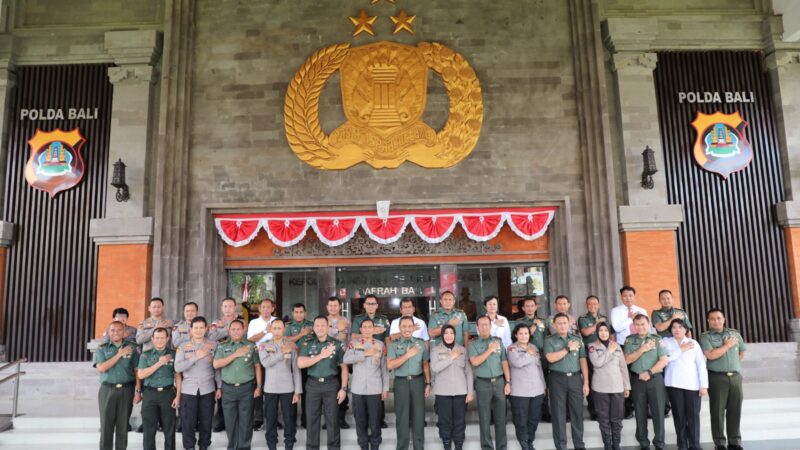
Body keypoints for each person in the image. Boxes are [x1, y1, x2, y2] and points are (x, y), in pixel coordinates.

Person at [298, 315, 348, 450]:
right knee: (312, 420)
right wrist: (321, 355)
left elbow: (344, 367)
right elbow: (300, 363)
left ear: (328, 327)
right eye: (317, 325)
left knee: (333, 420)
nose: (320, 328)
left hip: (331, 385)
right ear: (313, 328)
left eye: (322, 325)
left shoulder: (336, 344)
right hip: (312, 385)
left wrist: (343, 389)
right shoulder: (307, 343)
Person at [699, 308, 746, 450]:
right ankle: (719, 443)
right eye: (712, 319)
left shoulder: (735, 333)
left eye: (719, 318)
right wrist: (726, 346)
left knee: (735, 410)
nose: (716, 321)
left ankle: (734, 442)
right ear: (708, 321)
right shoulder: (705, 336)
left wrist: (732, 364)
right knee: (717, 411)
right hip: (717, 378)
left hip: (736, 378)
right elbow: (711, 355)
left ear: (724, 319)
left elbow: (742, 352)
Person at [213, 319, 262, 450]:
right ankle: (232, 446)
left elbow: (257, 366)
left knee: (246, 421)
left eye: (238, 329)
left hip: (247, 388)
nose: (235, 332)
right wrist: (235, 354)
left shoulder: (251, 345)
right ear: (228, 331)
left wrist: (259, 386)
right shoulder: (222, 346)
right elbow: (216, 364)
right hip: (228, 389)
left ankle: (244, 447)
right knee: (230, 421)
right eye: (233, 329)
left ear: (244, 330)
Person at [175, 316, 221, 450]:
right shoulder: (183, 346)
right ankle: (189, 446)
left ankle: (204, 445)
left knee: (206, 421)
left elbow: (217, 368)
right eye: (196, 328)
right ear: (191, 329)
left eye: (202, 327)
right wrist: (196, 357)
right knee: (188, 421)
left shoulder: (214, 345)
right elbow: (178, 368)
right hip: (188, 390)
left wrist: (219, 386)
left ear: (206, 329)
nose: (199, 330)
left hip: (208, 388)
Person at [545, 313, 589, 450]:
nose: (562, 325)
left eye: (565, 323)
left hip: (576, 379)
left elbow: (582, 360)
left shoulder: (577, 339)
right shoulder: (549, 340)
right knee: (558, 414)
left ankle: (579, 445)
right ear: (554, 325)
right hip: (557, 379)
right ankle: (561, 446)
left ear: (569, 323)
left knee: (577, 413)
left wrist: (586, 381)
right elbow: (550, 358)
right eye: (559, 323)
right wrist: (567, 349)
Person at [343, 318, 389, 450]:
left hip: (375, 389)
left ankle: (375, 444)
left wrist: (385, 388)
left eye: (370, 327)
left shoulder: (380, 345)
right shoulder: (354, 344)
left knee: (375, 420)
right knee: (360, 419)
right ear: (361, 330)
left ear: (374, 330)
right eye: (365, 327)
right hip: (358, 389)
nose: (367, 329)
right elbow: (346, 359)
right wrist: (364, 354)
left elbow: (384, 369)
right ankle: (363, 444)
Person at [624, 314, 669, 450]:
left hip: (655, 379)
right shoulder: (630, 340)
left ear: (649, 324)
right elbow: (627, 360)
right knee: (640, 412)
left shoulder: (657, 339)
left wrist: (649, 372)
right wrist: (642, 349)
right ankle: (643, 442)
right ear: (634, 326)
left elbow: (664, 360)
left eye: (643, 324)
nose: (640, 327)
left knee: (658, 412)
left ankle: (659, 443)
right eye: (637, 324)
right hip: (637, 381)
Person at [95, 321, 140, 450]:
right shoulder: (102, 348)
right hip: (107, 390)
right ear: (108, 332)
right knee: (106, 426)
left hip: (127, 390)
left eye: (119, 330)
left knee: (123, 426)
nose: (116, 333)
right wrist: (119, 354)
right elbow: (102, 367)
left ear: (124, 332)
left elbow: (137, 370)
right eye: (113, 330)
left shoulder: (132, 347)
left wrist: (137, 391)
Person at [388, 316, 431, 450]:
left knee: (419, 417)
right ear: (399, 328)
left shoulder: (421, 344)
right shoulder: (393, 345)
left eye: (409, 326)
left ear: (413, 328)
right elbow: (390, 365)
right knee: (402, 417)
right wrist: (407, 355)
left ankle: (419, 447)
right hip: (401, 383)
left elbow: (425, 364)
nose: (407, 329)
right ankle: (402, 447)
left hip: (418, 382)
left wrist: (428, 383)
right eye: (404, 326)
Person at [469, 315, 511, 450]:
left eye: (486, 324)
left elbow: (504, 362)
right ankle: (487, 447)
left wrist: (508, 381)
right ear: (477, 327)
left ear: (491, 326)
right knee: (485, 418)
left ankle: (501, 447)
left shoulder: (498, 341)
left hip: (499, 382)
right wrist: (490, 350)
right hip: (483, 383)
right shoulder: (473, 344)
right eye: (481, 325)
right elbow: (475, 361)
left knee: (501, 418)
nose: (484, 327)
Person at [664, 319, 707, 450]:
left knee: (693, 416)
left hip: (692, 385)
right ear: (671, 329)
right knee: (679, 416)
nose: (677, 330)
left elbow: (701, 364)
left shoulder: (693, 343)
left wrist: (703, 384)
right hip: (673, 384)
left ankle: (695, 445)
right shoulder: (666, 342)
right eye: (674, 327)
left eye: (680, 327)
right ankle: (682, 445)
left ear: (686, 330)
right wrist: (680, 349)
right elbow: (665, 358)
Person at [259, 319, 302, 450]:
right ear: (271, 330)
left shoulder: (291, 346)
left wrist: (297, 391)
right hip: (270, 388)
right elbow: (265, 363)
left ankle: (289, 443)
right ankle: (272, 444)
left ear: (284, 330)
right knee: (270, 419)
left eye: (279, 328)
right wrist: (281, 353)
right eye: (274, 328)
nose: (277, 331)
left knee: (289, 418)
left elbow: (296, 369)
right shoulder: (264, 345)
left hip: (288, 388)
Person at [588, 322, 630, 450]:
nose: (604, 333)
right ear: (597, 332)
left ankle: (616, 444)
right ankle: (607, 444)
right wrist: (609, 352)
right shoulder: (592, 347)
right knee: (604, 419)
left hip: (617, 387)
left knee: (616, 419)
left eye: (606, 330)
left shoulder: (616, 345)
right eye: (601, 330)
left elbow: (623, 367)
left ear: (609, 332)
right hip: (600, 388)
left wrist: (626, 386)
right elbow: (597, 363)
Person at [430, 324, 473, 450]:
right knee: (444, 419)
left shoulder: (462, 350)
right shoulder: (435, 350)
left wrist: (470, 392)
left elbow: (468, 372)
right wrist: (451, 357)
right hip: (442, 392)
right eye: (446, 333)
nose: (449, 336)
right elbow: (435, 368)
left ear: (455, 335)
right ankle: (446, 442)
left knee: (460, 419)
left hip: (460, 391)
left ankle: (459, 443)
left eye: (451, 333)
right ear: (442, 335)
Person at [610, 286, 648, 418]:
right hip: (623, 345)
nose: (628, 298)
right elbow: (616, 327)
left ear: (634, 296)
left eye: (630, 295)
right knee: (625, 377)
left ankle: (641, 407)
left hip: (641, 344)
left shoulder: (642, 310)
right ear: (621, 297)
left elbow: (646, 328)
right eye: (625, 296)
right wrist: (630, 318)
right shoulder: (616, 311)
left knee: (640, 374)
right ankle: (627, 409)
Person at [137, 327, 177, 450]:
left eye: (162, 338)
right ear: (152, 339)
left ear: (167, 338)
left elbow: (179, 375)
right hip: (150, 394)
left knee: (169, 429)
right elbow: (141, 374)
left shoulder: (174, 354)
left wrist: (178, 395)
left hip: (168, 393)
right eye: (157, 338)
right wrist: (159, 363)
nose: (160, 340)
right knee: (149, 429)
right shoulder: (145, 355)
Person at [507, 323, 546, 450]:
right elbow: (518, 363)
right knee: (521, 420)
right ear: (515, 335)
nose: (524, 336)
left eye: (526, 333)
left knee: (533, 419)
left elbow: (539, 367)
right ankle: (524, 444)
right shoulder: (512, 348)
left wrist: (543, 386)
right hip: (520, 391)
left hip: (537, 389)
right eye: (521, 333)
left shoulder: (533, 346)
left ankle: (530, 441)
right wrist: (528, 354)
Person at [209, 297, 240, 432]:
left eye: (230, 306)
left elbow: (240, 335)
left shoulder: (241, 322)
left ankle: (236, 420)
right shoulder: (216, 322)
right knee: (220, 389)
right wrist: (229, 327)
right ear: (222, 308)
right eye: (225, 306)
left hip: (237, 360)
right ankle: (221, 419)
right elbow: (212, 336)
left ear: (235, 307)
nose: (228, 309)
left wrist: (224, 331)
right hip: (221, 359)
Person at [247, 298, 277, 431]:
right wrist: (266, 331)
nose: (266, 309)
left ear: (272, 308)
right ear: (259, 309)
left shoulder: (277, 321)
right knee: (258, 388)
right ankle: (258, 418)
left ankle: (273, 418)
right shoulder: (254, 322)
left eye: (268, 307)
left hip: (275, 358)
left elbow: (282, 337)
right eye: (263, 307)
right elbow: (250, 339)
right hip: (258, 359)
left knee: (273, 390)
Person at [579, 295, 608, 420]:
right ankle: (594, 411)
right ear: (586, 305)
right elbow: (585, 332)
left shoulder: (605, 318)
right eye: (589, 304)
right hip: (590, 353)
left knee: (605, 380)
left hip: (605, 352)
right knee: (592, 381)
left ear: (599, 304)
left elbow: (609, 334)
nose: (592, 306)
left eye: (595, 303)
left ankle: (605, 409)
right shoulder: (583, 318)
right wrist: (596, 324)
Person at [285, 303, 314, 429]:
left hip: (308, 364)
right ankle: (291, 422)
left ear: (305, 313)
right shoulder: (288, 326)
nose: (299, 314)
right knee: (293, 393)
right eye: (296, 312)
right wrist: (301, 334)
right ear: (292, 313)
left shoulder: (312, 325)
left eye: (301, 312)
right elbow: (285, 340)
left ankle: (306, 421)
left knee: (308, 394)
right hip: (292, 364)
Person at [326, 296, 352, 429]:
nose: (333, 308)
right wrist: (338, 330)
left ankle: (341, 419)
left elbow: (344, 338)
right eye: (330, 305)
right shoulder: (322, 321)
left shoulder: (346, 321)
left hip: (343, 360)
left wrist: (337, 331)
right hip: (327, 361)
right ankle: (329, 421)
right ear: (327, 307)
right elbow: (325, 337)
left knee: (343, 390)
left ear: (340, 307)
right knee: (328, 392)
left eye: (335, 305)